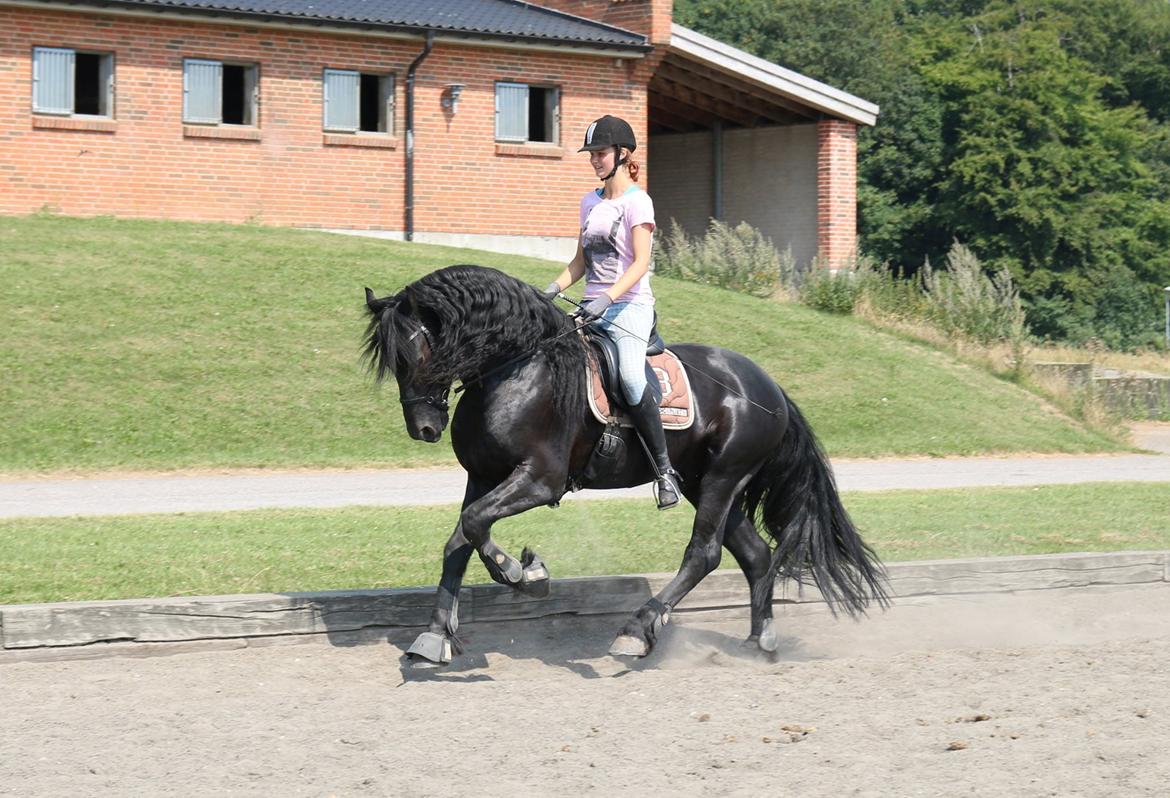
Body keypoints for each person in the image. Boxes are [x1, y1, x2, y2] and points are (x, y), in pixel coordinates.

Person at [543, 115, 682, 510]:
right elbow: (580, 263)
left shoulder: (638, 202)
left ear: (622, 155)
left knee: (631, 379)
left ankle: (664, 471)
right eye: (591, 155)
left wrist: (608, 299)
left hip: (631, 306)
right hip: (591, 306)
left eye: (600, 153)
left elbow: (640, 264)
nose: (594, 160)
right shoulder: (590, 202)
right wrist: (551, 290)